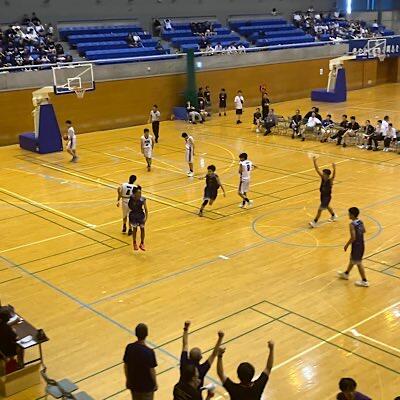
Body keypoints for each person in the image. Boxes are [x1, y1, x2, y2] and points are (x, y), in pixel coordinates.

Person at [180, 321, 224, 387]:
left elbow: (185, 345)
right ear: (201, 358)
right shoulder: (201, 369)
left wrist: (186, 328)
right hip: (195, 393)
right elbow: (214, 354)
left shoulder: (184, 363)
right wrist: (220, 338)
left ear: (189, 356)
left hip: (180, 389)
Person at [123, 323, 157, 399]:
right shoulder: (149, 352)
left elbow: (126, 366)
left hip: (134, 385)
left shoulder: (129, 347)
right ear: (147, 334)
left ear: (136, 333)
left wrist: (128, 379)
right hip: (147, 387)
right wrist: (155, 383)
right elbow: (151, 370)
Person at [338, 207, 369, 287]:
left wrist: (346, 245)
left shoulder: (352, 225)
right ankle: (346, 273)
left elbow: (353, 237)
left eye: (349, 213)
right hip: (361, 244)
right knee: (353, 260)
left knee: (358, 263)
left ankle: (364, 281)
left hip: (356, 246)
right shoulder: (360, 221)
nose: (348, 215)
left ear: (352, 215)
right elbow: (364, 230)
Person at [309, 156, 337, 228]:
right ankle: (334, 216)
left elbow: (333, 176)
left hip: (326, 197)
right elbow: (317, 170)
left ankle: (315, 222)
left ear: (327, 175)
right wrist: (314, 162)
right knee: (327, 206)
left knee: (320, 209)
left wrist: (334, 169)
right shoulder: (322, 178)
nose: (323, 174)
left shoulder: (330, 181)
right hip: (322, 195)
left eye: (324, 174)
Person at [128, 187, 148, 251]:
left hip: (140, 215)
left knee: (142, 228)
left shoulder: (143, 199)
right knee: (135, 229)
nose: (140, 194)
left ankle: (142, 243)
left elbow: (146, 209)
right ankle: (134, 243)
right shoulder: (131, 197)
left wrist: (146, 218)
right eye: (138, 192)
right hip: (133, 215)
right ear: (135, 194)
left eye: (140, 192)